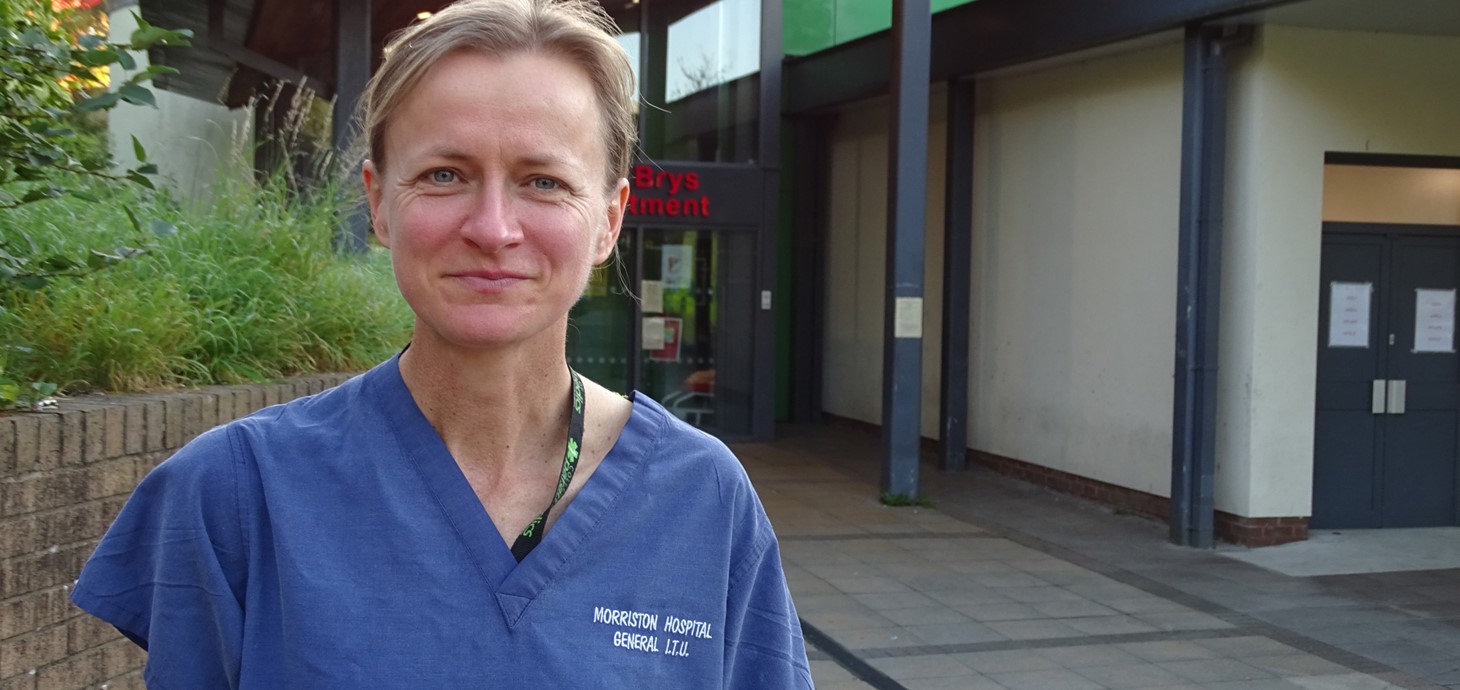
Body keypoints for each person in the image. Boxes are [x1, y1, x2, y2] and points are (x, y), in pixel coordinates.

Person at [69, 0, 814, 686]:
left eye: (545, 181)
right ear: (379, 204)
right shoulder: (236, 494)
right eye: (445, 173)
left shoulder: (701, 500)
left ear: (609, 220)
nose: (492, 228)